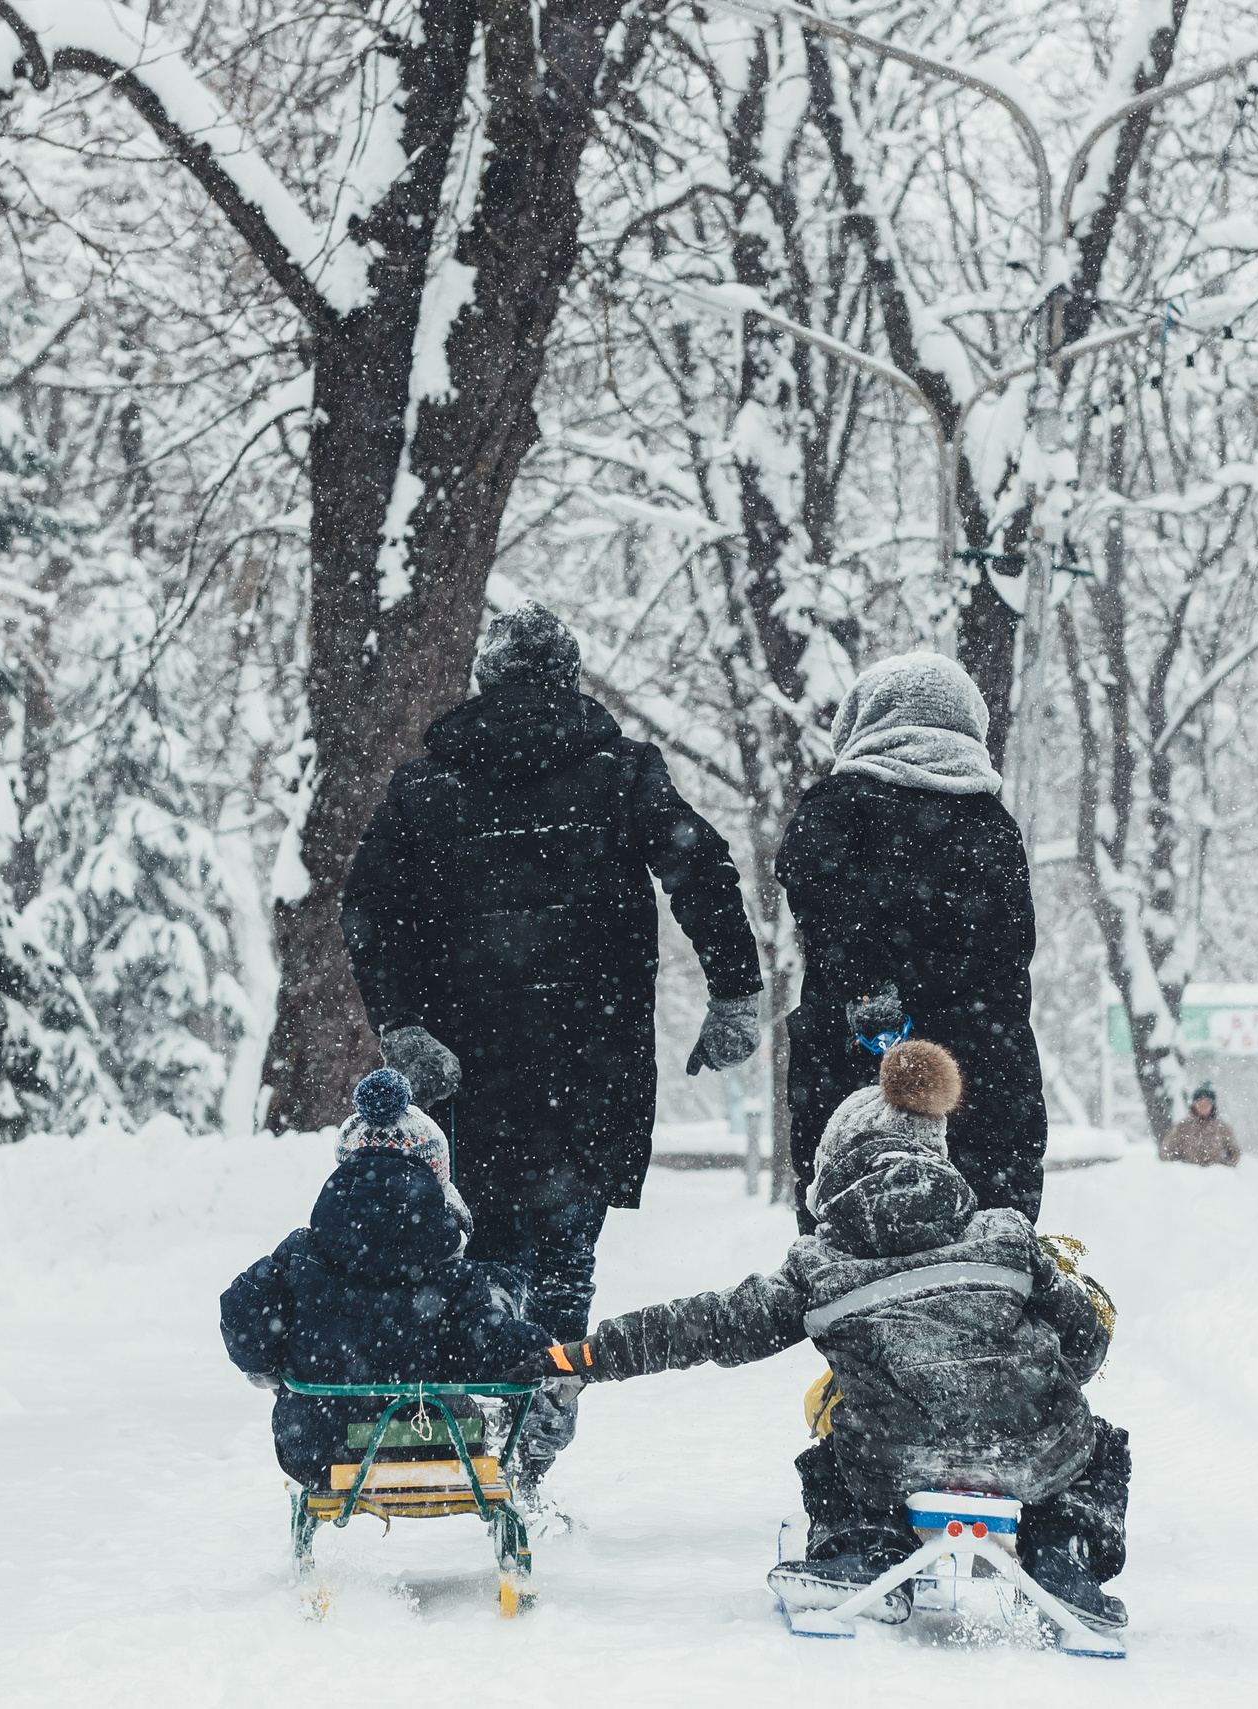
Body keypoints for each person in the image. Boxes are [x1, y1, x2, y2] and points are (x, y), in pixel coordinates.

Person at [341, 600, 765, 1483]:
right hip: (592, 1061)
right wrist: (733, 990)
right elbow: (701, 867)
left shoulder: (426, 788)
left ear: (486, 680)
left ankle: (494, 1420)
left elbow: (369, 908)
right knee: (568, 1257)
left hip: (471, 1067)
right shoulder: (621, 772)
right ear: (569, 676)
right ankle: (540, 1427)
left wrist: (403, 1021)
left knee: (487, 1247)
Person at [522, 1039, 1131, 1630]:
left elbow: (708, 1325)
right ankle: (1065, 1558)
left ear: (835, 1166)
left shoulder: (822, 1265)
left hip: (895, 1458)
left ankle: (865, 1550)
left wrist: (584, 1356)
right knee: (1100, 1448)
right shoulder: (1006, 1236)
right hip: (1033, 1451)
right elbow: (1085, 1343)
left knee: (836, 1449)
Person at [777, 651, 1047, 1228]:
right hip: (984, 1061)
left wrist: (870, 992)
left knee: (851, 1224)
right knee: (986, 1229)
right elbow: (1012, 951)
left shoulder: (837, 807)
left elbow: (825, 906)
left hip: (861, 1056)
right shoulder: (991, 823)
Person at [219, 1070, 550, 1487]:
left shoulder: (300, 1257)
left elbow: (243, 1314)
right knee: (462, 1405)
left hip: (320, 1451)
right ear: (435, 1180)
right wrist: (538, 1346)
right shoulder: (450, 1275)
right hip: (436, 1447)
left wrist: (270, 1367)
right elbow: (490, 1351)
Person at [1161, 1085, 1241, 1166]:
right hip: (1187, 1173)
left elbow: (1234, 1153)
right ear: (1194, 1104)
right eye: (1200, 1102)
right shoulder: (1181, 1127)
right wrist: (1180, 1167)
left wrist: (1222, 1168)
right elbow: (1167, 1152)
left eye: (1207, 1102)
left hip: (1215, 1173)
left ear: (1212, 1105)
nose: (1203, 1105)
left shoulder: (1222, 1129)